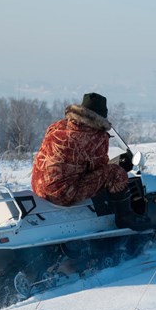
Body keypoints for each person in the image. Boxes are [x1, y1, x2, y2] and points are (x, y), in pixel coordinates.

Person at [31, 92, 145, 229]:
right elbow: (98, 168)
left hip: (38, 187)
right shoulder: (96, 136)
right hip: (61, 194)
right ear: (102, 116)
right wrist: (118, 167)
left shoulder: (57, 126)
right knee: (116, 173)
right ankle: (125, 218)